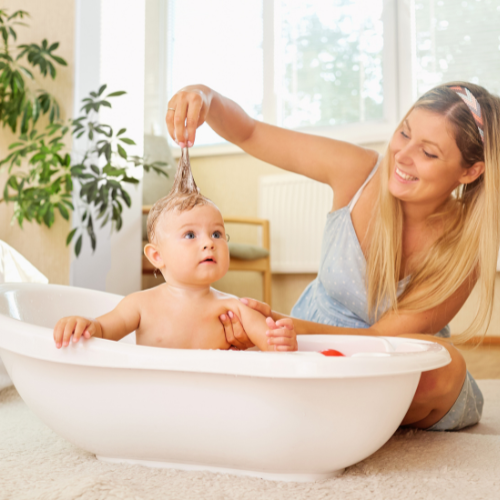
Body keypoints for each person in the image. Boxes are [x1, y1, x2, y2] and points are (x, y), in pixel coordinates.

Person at [166, 82, 500, 431]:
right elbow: (249, 132)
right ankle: (333, 413)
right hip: (310, 346)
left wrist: (275, 323)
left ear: (470, 171)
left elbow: (382, 339)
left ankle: (316, 409)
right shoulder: (358, 170)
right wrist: (207, 98)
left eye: (428, 153)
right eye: (404, 133)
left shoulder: (467, 245)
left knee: (447, 367)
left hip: (383, 360)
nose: (402, 155)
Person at [53, 149, 298, 353]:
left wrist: (282, 341)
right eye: (190, 235)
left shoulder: (234, 308)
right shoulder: (139, 305)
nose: (209, 243)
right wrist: (85, 324)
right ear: (157, 256)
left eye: (216, 234)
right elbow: (103, 330)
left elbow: (272, 345)